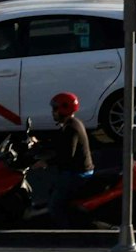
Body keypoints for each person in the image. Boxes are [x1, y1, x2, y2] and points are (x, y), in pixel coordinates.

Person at [39, 91, 95, 227]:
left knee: (55, 206)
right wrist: (40, 143)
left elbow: (67, 157)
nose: (53, 112)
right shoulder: (70, 123)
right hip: (76, 170)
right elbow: (59, 142)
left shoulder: (72, 128)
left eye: (55, 109)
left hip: (77, 173)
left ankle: (64, 232)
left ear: (64, 109)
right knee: (54, 189)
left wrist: (45, 162)